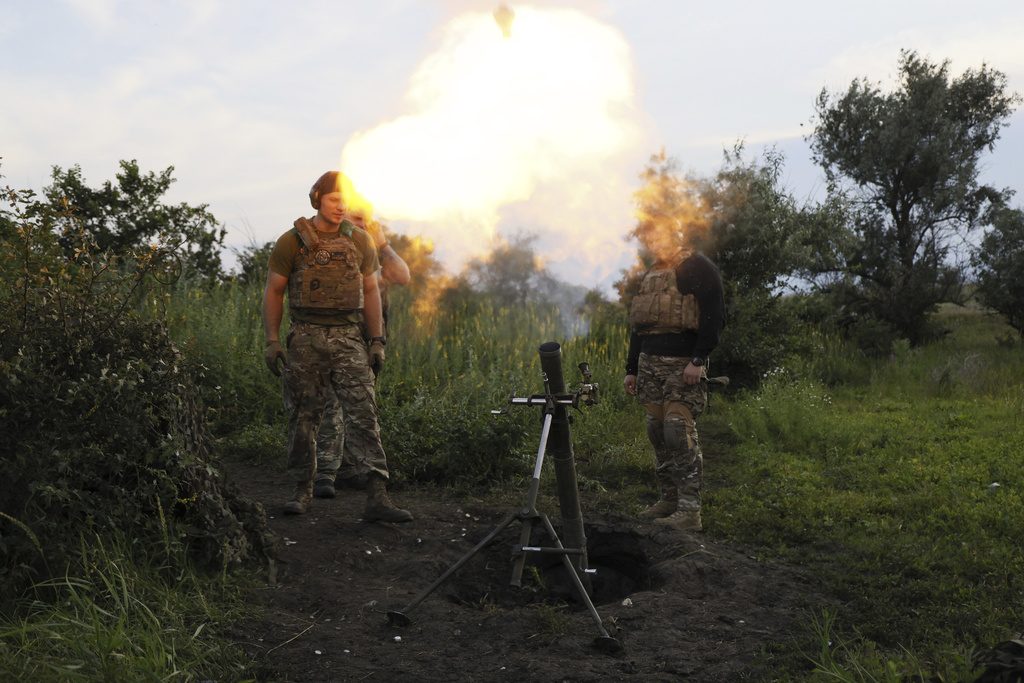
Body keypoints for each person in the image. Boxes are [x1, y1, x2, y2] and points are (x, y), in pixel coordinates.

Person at [262, 170, 413, 522]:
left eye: (345, 200)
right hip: (306, 337)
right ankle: (303, 490)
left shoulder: (361, 241)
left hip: (349, 338)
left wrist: (376, 340)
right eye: (333, 200)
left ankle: (377, 496)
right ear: (317, 199)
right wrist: (272, 340)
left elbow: (373, 291)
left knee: (364, 415)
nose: (340, 207)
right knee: (304, 418)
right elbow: (274, 291)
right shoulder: (292, 242)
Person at [623, 222, 724, 532]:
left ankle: (690, 510)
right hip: (649, 362)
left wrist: (698, 359)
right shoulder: (651, 273)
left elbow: (714, 314)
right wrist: (632, 369)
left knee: (678, 430)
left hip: (683, 364)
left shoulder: (696, 266)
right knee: (656, 431)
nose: (653, 243)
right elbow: (641, 325)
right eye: (648, 239)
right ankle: (668, 499)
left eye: (658, 236)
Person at [312, 212, 411, 498]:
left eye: (365, 222)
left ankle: (352, 470)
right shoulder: (334, 249)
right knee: (332, 406)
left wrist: (383, 244)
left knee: (361, 410)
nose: (361, 226)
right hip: (339, 339)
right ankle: (326, 474)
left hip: (371, 343)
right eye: (356, 221)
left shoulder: (375, 253)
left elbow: (403, 276)